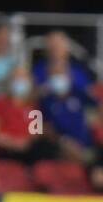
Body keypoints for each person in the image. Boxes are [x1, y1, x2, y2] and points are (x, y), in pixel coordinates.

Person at [32, 30, 95, 161]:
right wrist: (59, 140)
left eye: (59, 45)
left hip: (82, 143)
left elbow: (95, 105)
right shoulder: (38, 76)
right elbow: (34, 126)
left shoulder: (78, 81)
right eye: (52, 45)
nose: (56, 49)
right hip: (53, 144)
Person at [0, 66, 57, 163]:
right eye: (17, 77)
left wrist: (27, 142)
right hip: (5, 150)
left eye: (24, 77)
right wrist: (11, 143)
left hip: (28, 151)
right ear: (10, 81)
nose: (21, 81)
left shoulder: (34, 106)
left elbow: (36, 134)